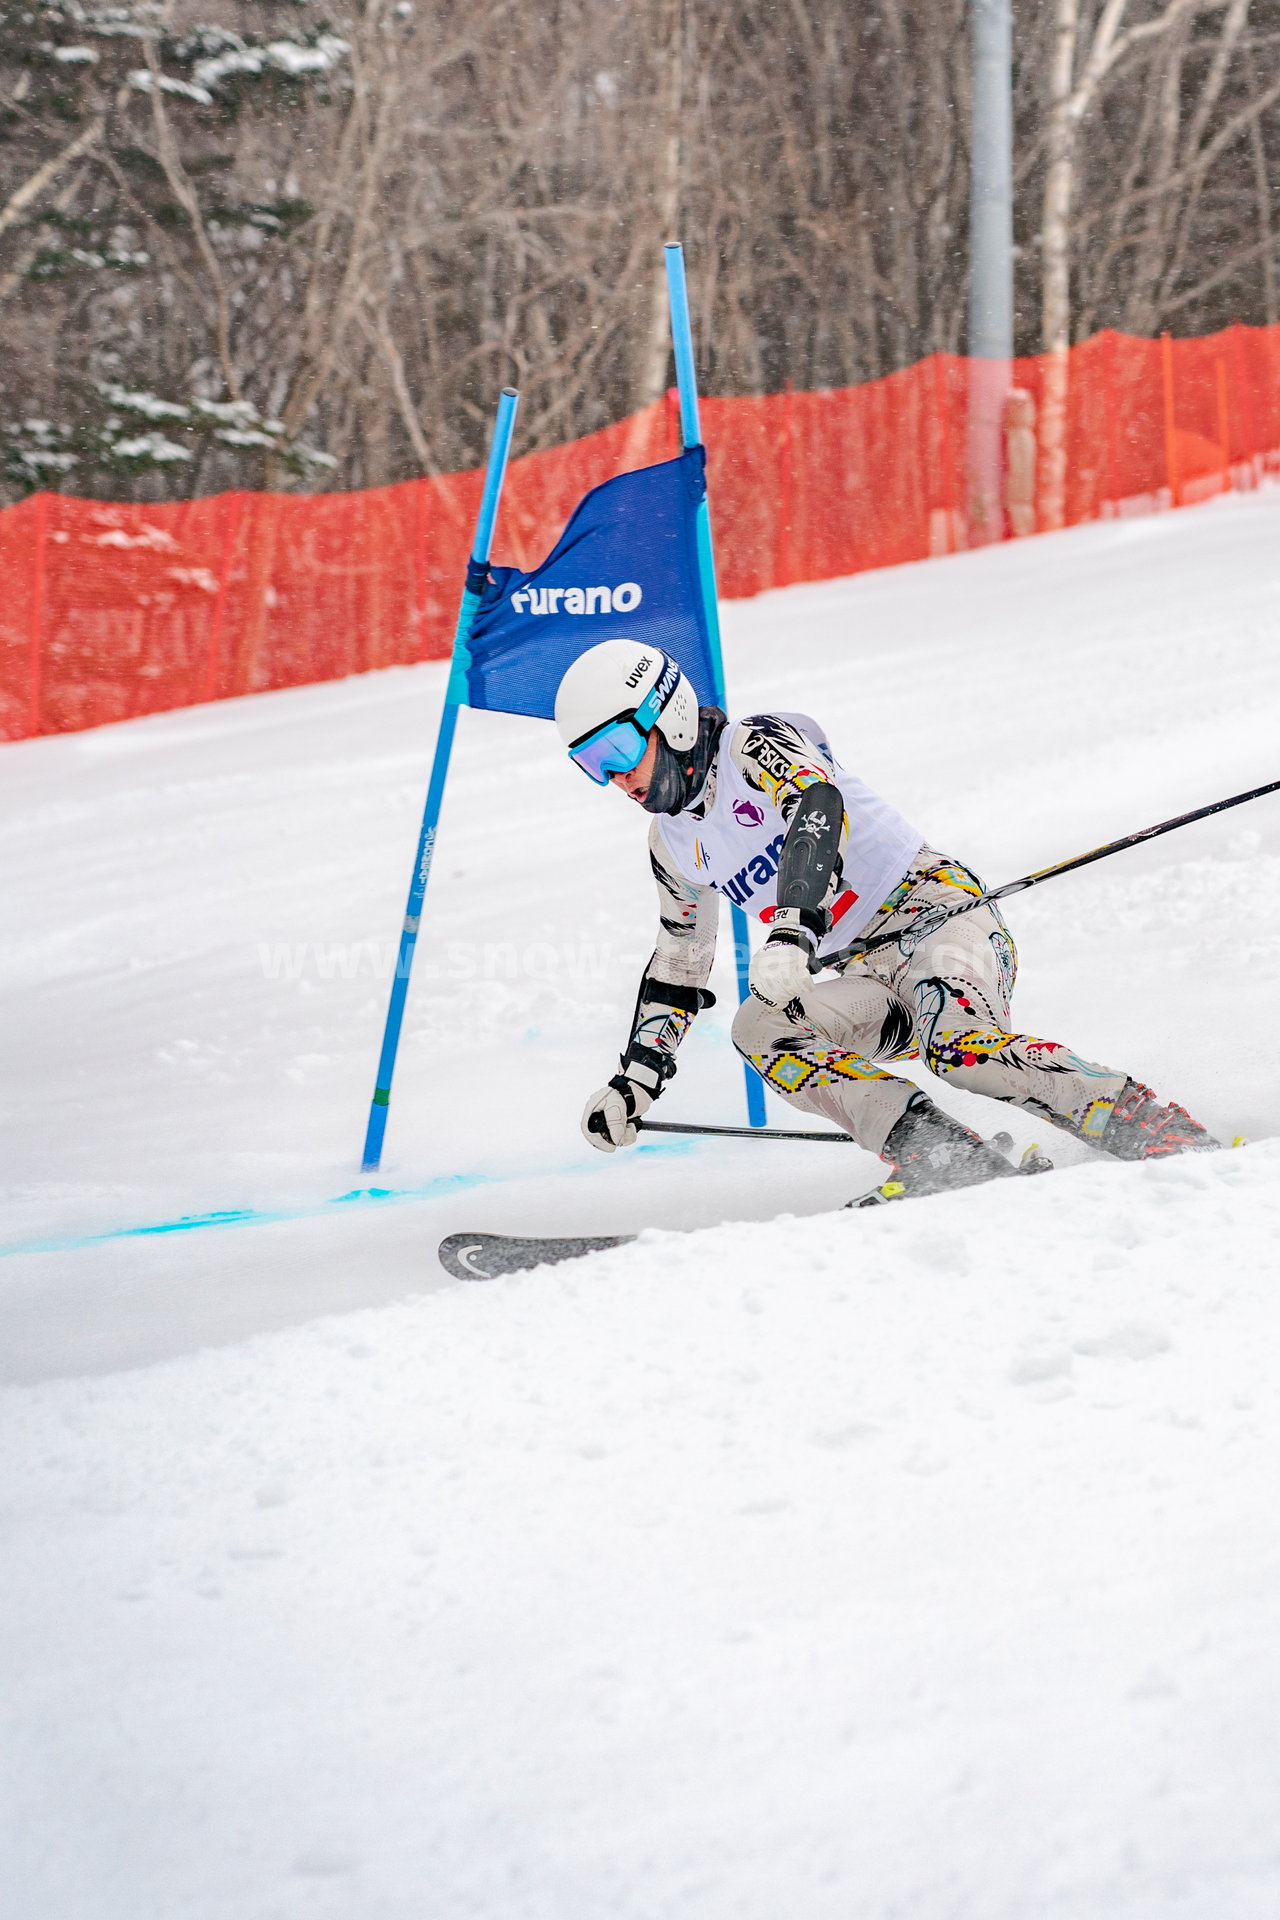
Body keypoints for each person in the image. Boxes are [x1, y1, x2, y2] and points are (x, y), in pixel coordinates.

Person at [556, 639, 1218, 1202]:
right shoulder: (671, 843)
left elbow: (818, 806)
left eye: (617, 748)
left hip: (939, 914)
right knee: (759, 1027)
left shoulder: (753, 747)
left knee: (955, 1048)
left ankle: (1149, 1126)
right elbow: (680, 962)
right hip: (864, 971)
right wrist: (636, 1082)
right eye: (592, 766)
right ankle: (945, 1159)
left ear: (664, 715)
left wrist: (793, 926)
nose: (617, 777)